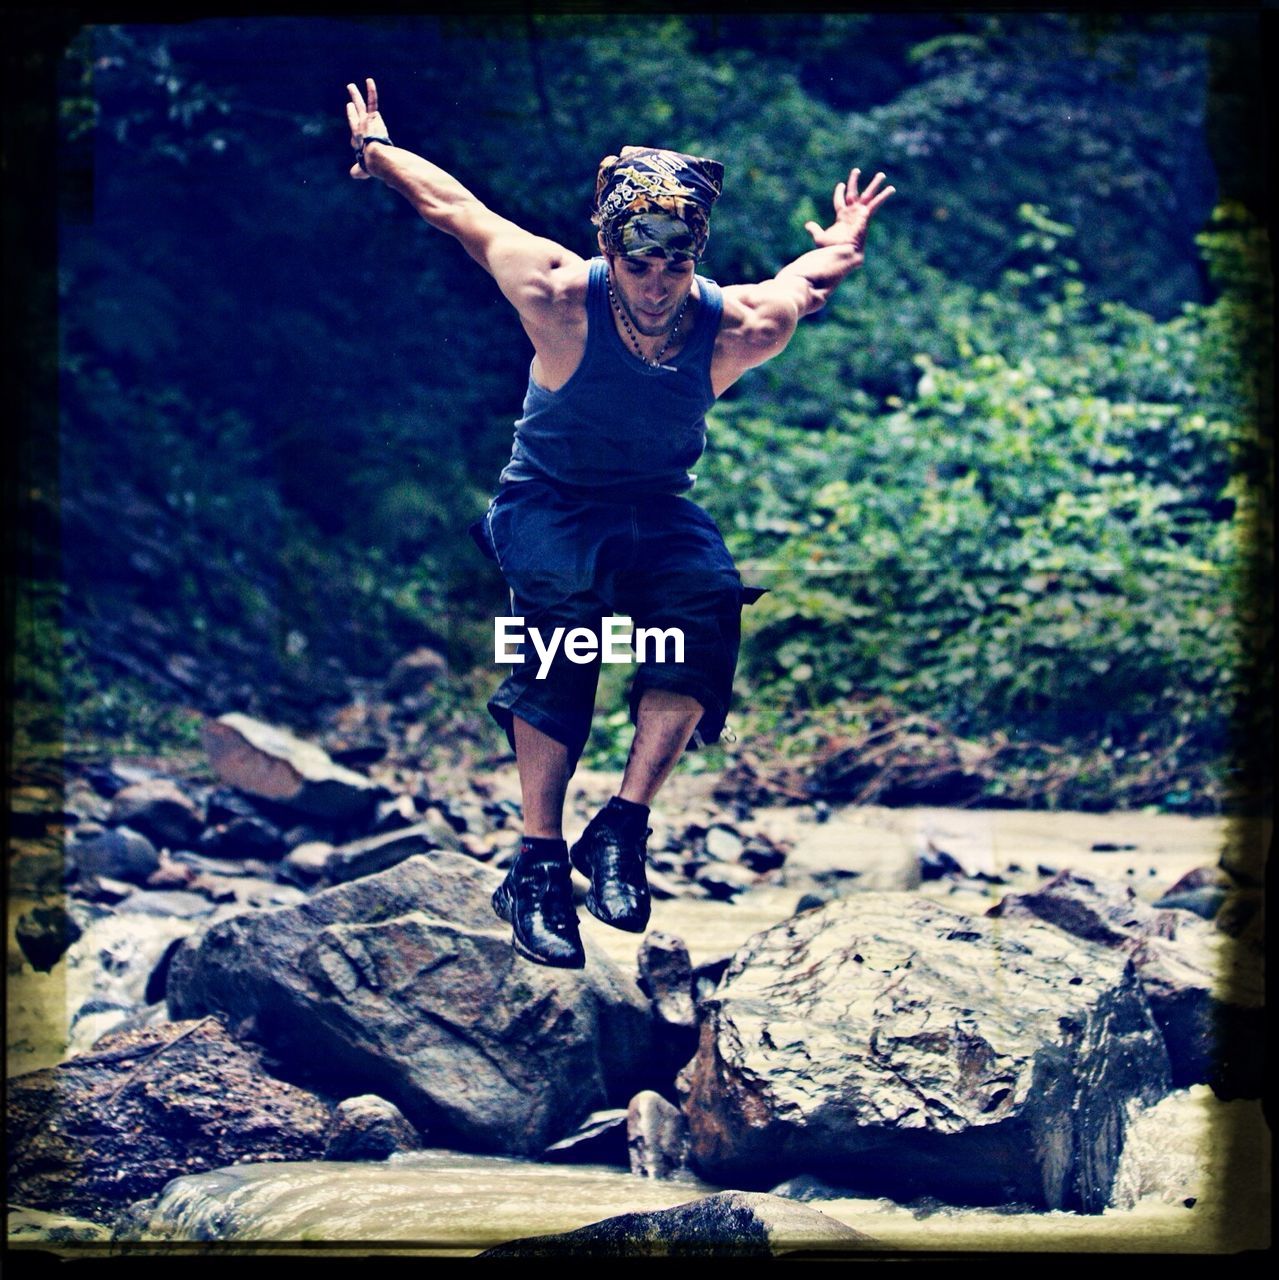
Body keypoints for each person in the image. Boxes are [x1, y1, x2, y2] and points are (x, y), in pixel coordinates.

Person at [346, 77, 894, 969]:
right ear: (608, 249)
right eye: (637, 265)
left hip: (652, 507)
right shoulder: (558, 292)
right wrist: (375, 148)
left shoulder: (738, 325)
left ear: (695, 259)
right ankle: (535, 862)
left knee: (704, 610)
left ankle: (622, 827)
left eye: (673, 266)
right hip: (547, 501)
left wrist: (841, 239)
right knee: (564, 643)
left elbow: (808, 280)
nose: (653, 285)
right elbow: (455, 208)